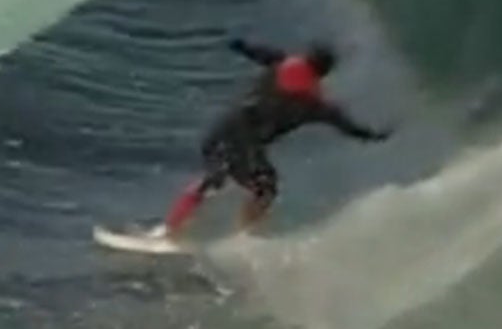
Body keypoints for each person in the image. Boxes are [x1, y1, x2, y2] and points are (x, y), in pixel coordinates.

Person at [161, 35, 391, 239]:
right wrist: (374, 135)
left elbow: (256, 51)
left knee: (212, 180)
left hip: (222, 131)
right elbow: (348, 126)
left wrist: (238, 44)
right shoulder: (315, 105)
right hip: (245, 144)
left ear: (305, 60)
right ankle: (244, 236)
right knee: (264, 188)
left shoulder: (281, 64)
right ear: (323, 74)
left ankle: (171, 230)